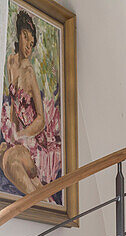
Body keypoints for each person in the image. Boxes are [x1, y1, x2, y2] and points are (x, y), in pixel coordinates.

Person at [1, 10, 58, 196]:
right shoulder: (10, 62)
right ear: (18, 34)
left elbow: (41, 119)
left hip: (36, 142)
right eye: (26, 38)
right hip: (20, 136)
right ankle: (42, 198)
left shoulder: (29, 71)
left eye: (32, 43)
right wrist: (12, 133)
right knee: (2, 150)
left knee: (9, 159)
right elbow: (14, 107)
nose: (28, 46)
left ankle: (39, 200)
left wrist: (22, 135)